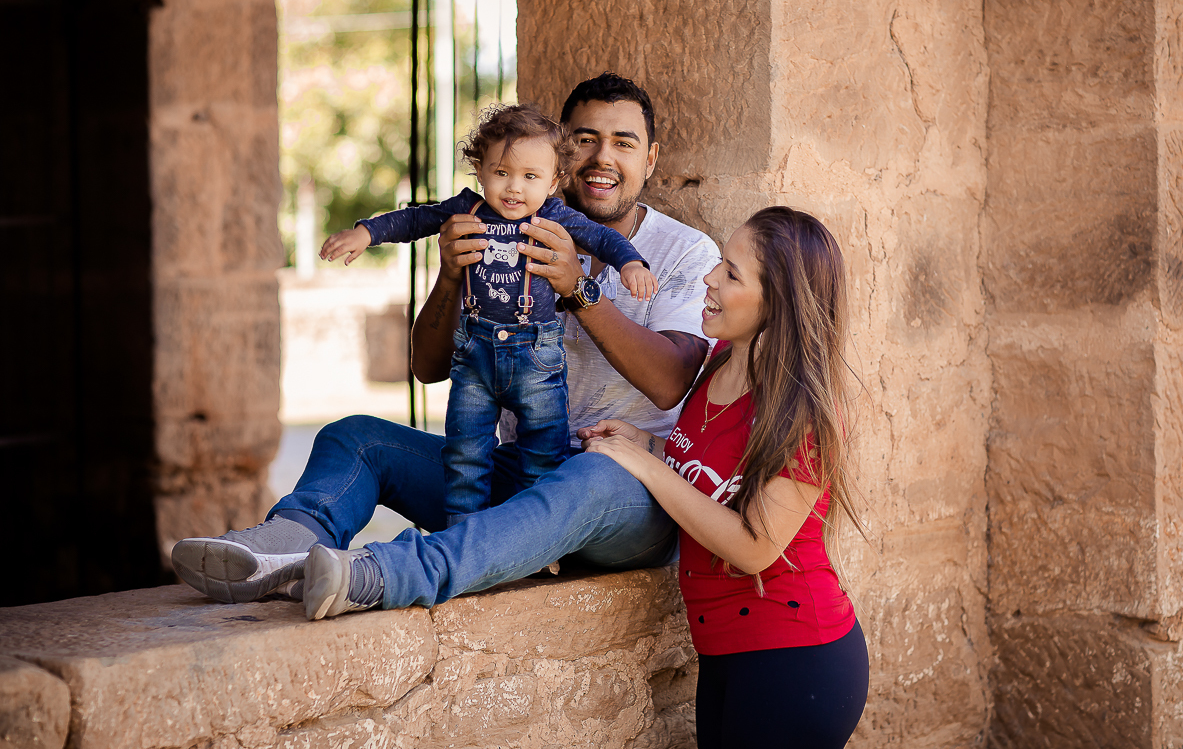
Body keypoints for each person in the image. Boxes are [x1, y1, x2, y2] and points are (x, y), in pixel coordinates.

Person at [170, 72, 721, 620]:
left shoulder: (683, 251)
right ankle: (284, 546)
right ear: (562, 154)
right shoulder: (495, 218)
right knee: (355, 437)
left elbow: (670, 380)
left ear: (649, 159)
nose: (603, 157)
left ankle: (382, 574)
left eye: (623, 143)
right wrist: (452, 277)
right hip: (515, 477)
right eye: (585, 139)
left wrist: (577, 288)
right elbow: (428, 367)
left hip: (624, 492)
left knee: (592, 475)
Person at [581, 206, 870, 748]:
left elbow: (756, 546)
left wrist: (643, 464)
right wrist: (650, 443)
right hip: (724, 653)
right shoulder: (717, 360)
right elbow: (717, 469)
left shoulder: (804, 413)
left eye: (732, 273)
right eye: (719, 263)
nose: (709, 279)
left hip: (794, 658)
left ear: (776, 303)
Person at [317, 103, 656, 527]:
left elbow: (602, 238)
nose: (514, 188)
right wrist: (367, 232)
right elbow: (415, 218)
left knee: (544, 448)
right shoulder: (469, 211)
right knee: (465, 451)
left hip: (537, 357)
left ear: (554, 181)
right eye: (501, 173)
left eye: (530, 177)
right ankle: (463, 532)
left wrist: (631, 263)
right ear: (480, 170)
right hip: (474, 354)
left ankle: (540, 536)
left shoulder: (554, 215)